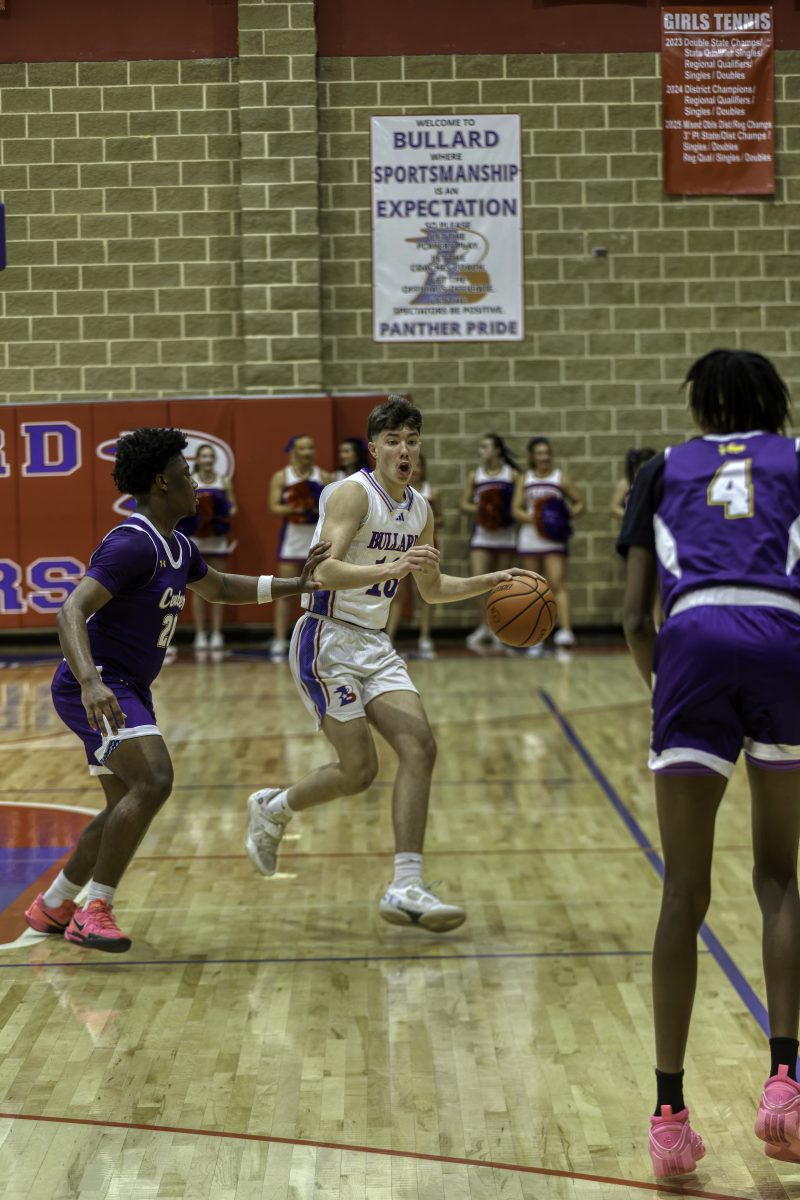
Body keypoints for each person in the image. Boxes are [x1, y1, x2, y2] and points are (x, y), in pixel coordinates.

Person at [25, 427, 328, 954]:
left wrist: (296, 585)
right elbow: (70, 611)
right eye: (187, 475)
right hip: (98, 684)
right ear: (162, 483)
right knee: (155, 779)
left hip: (128, 685)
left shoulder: (179, 545)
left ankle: (54, 904)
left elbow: (221, 588)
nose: (196, 484)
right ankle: (94, 910)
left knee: (123, 802)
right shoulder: (132, 542)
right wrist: (92, 682)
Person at [244, 394, 537, 931]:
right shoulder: (352, 495)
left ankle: (406, 885)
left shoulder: (420, 509)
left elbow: (430, 589)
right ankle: (274, 807)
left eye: (412, 441)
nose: (404, 450)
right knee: (359, 771)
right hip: (326, 638)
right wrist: (394, 565)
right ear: (374, 447)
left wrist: (491, 582)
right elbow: (322, 573)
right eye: (394, 441)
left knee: (420, 747)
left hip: (375, 645)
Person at [618, 349, 800, 1178]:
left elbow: (632, 616)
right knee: (778, 877)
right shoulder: (795, 459)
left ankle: (669, 1118)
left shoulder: (661, 468)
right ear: (772, 403)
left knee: (682, 893)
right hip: (780, 638)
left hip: (690, 643)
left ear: (702, 408)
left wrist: (667, 691)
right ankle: (784, 1087)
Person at [512, 436, 584, 654]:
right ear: (532, 456)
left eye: (547, 453)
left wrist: (562, 517)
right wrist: (538, 519)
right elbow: (516, 509)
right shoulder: (525, 478)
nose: (544, 457)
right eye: (539, 453)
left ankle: (566, 632)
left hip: (553, 538)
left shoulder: (559, 477)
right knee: (533, 588)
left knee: (557, 582)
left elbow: (580, 503)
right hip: (530, 537)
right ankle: (535, 637)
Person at [268, 435, 335, 662]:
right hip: (292, 539)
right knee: (285, 591)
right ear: (293, 451)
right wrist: (298, 507)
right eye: (302, 448)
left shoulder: (324, 476)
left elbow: (332, 507)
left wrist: (316, 507)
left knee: (320, 591)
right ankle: (279, 639)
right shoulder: (282, 476)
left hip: (316, 539)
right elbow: (274, 507)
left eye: (310, 448)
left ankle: (319, 640)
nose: (307, 452)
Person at [459, 433, 519, 651]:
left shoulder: (512, 474)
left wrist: (502, 510)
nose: (481, 451)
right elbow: (463, 504)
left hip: (505, 535)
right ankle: (484, 626)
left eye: (485, 447)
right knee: (479, 583)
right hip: (482, 536)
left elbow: (519, 504)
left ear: (497, 450)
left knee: (503, 586)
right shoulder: (475, 475)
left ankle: (499, 628)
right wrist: (485, 508)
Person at [177, 443, 238, 655]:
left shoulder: (223, 480)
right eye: (204, 456)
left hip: (217, 538)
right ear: (198, 459)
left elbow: (233, 507)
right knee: (198, 587)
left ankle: (217, 632)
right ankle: (200, 633)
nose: (208, 460)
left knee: (219, 585)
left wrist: (219, 512)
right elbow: (182, 507)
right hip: (196, 539)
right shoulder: (191, 480)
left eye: (211, 456)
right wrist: (198, 515)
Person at [386, 453, 442, 660]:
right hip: (400, 546)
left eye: (419, 466)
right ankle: (388, 638)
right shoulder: (395, 491)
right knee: (397, 593)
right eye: (413, 466)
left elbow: (441, 520)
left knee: (425, 593)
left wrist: (426, 520)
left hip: (425, 545)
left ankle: (425, 638)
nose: (416, 470)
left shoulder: (431, 492)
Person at [610, 447, 658, 520]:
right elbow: (613, 508)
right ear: (636, 468)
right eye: (644, 469)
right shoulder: (626, 483)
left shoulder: (658, 483)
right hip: (633, 524)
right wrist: (633, 517)